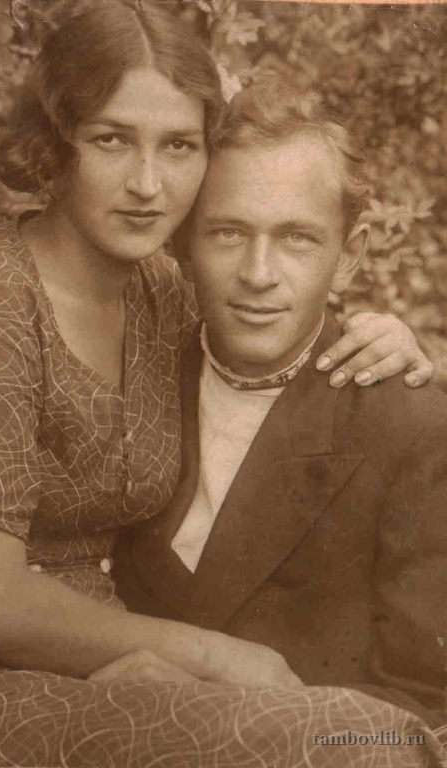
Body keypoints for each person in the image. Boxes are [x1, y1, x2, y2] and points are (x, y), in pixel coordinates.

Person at [0, 2, 440, 765]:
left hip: (115, 665)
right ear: (56, 143)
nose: (148, 183)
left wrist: (391, 341)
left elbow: (269, 312)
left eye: (180, 146)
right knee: (359, 747)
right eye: (111, 140)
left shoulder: (162, 291)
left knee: (365, 731)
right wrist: (218, 659)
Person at [115, 81, 447, 737]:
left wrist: (210, 709)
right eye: (228, 232)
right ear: (183, 246)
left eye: (297, 237)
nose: (258, 273)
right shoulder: (131, 368)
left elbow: (425, 715)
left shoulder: (410, 428)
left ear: (348, 257)